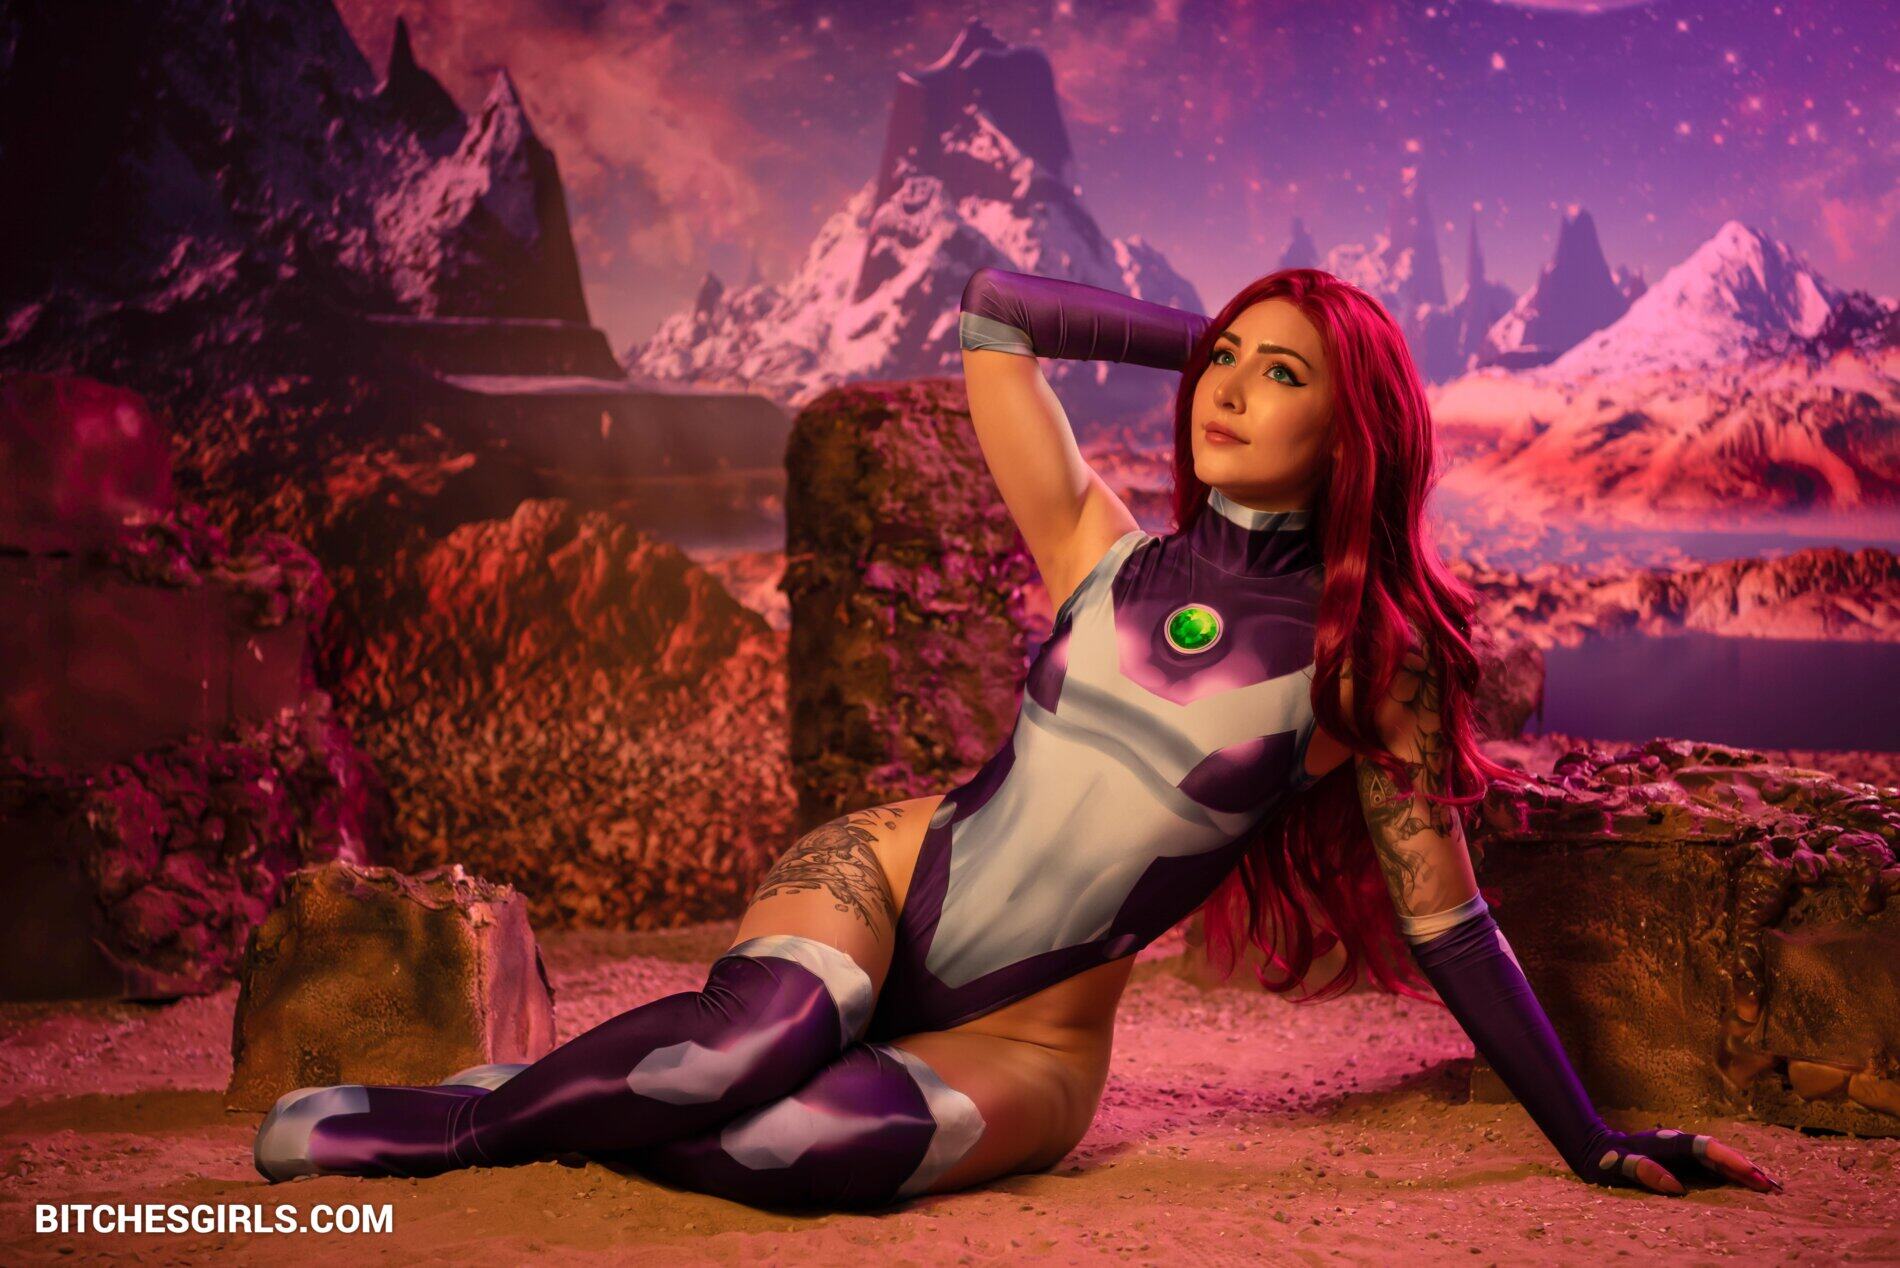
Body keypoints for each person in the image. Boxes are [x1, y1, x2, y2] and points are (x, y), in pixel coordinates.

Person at [253, 266, 1782, 1208]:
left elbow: (1454, 925)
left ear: (1353, 428)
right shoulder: (1101, 550)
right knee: (735, 1051)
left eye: (1282, 375)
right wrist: (1207, 329)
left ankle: (582, 1092)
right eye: (1224, 362)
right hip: (885, 881)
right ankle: (464, 1126)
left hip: (1031, 1044)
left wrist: (1589, 1136)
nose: (1229, 390)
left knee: (786, 1150)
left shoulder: (1367, 672)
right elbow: (997, 309)